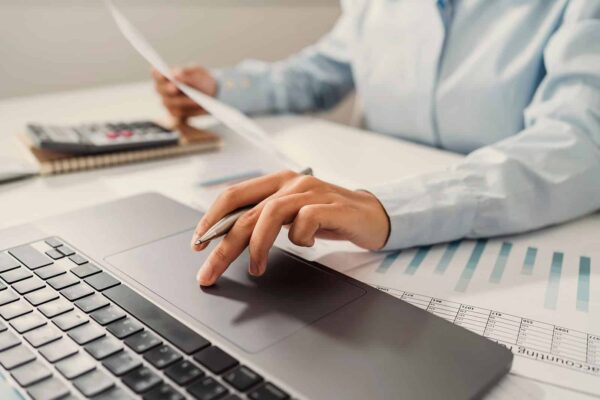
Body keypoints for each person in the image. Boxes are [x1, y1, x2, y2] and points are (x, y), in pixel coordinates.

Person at [153, 0, 600, 287]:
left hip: (522, 247)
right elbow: (316, 74)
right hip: (375, 247)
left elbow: (580, 142)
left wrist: (386, 207)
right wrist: (220, 87)